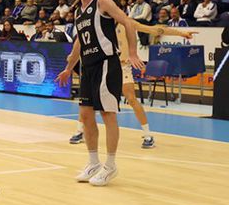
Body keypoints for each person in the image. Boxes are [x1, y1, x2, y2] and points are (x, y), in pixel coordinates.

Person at [57, 0, 145, 187]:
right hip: (87, 68)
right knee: (86, 116)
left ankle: (111, 165)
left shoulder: (102, 2)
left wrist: (132, 52)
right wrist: (69, 68)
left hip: (107, 63)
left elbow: (128, 22)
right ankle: (93, 162)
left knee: (107, 114)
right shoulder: (79, 12)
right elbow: (79, 43)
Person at [68, 17, 196, 149]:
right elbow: (81, 42)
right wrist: (72, 57)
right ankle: (79, 131)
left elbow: (154, 29)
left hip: (122, 66)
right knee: (89, 101)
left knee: (131, 99)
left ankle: (148, 135)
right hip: (103, 66)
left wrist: (180, 33)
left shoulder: (126, 23)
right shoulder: (97, 22)